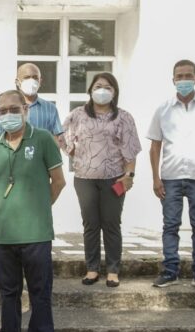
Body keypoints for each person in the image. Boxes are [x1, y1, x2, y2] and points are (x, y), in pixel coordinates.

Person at [0, 90, 65, 332]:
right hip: (5, 232)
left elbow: (58, 181)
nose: (8, 114)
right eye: (2, 110)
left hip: (36, 232)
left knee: (40, 292)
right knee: (8, 292)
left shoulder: (43, 138)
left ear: (25, 110)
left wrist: (38, 206)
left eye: (13, 108)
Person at [147, 60, 195, 291]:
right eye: (179, 76)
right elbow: (155, 147)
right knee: (170, 225)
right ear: (173, 80)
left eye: (188, 75)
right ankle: (170, 272)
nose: (183, 80)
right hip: (170, 177)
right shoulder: (163, 109)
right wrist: (155, 178)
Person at [60, 72, 141, 288]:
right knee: (91, 224)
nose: (102, 90)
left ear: (114, 92)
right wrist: (76, 155)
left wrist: (129, 175)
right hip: (85, 179)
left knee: (112, 223)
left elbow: (131, 151)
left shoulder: (124, 117)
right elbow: (62, 136)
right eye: (98, 86)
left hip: (114, 179)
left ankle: (113, 270)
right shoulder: (78, 114)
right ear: (90, 90)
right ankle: (92, 268)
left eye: (108, 87)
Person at [0, 63, 63, 139]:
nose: (31, 81)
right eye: (27, 77)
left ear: (40, 82)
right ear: (17, 82)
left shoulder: (50, 108)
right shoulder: (6, 106)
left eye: (35, 77)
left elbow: (56, 139)